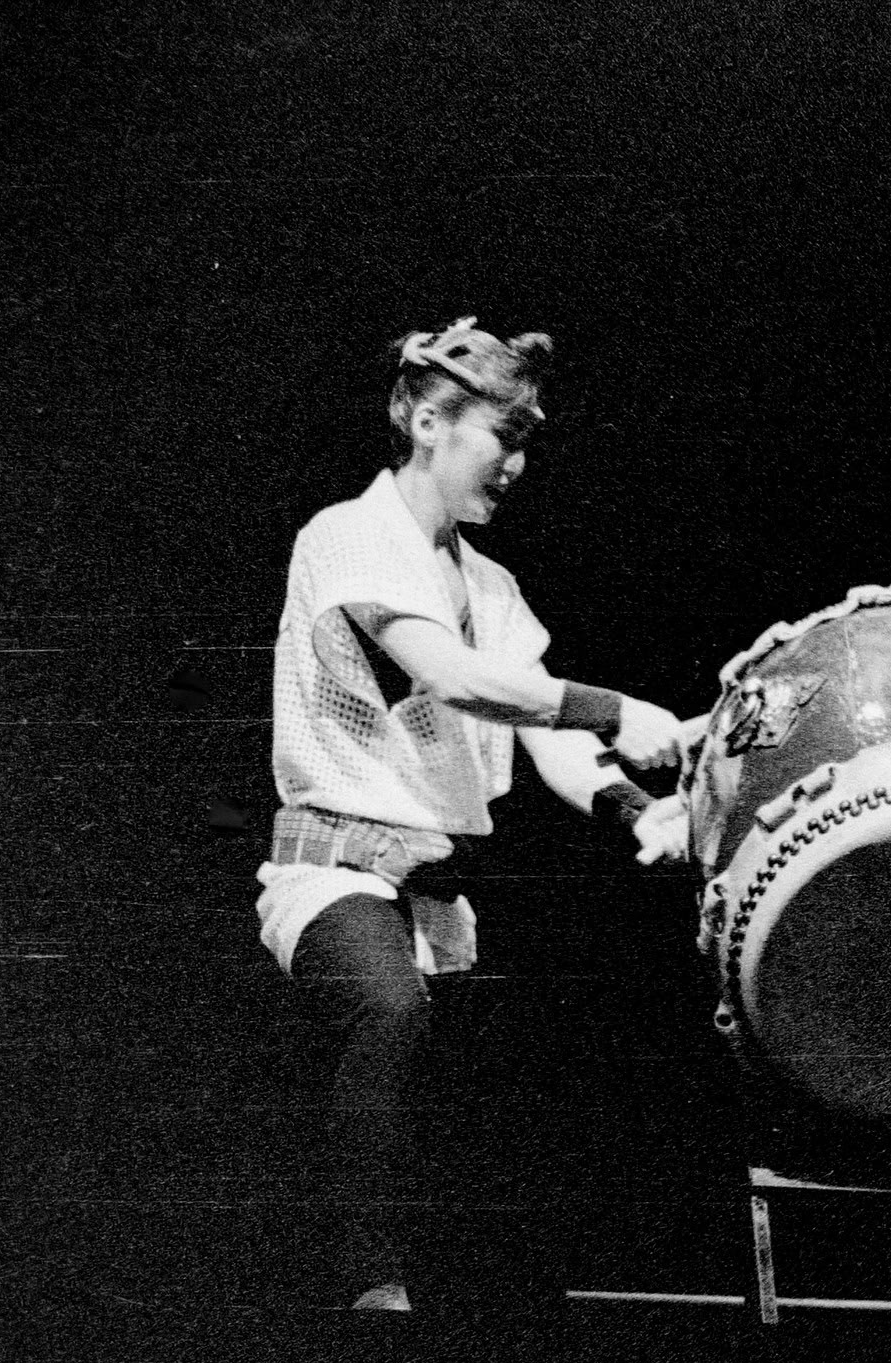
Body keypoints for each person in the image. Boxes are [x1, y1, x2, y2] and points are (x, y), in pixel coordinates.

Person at [256, 316, 695, 1312]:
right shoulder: (347, 537)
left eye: (527, 442)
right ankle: (368, 1292)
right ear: (423, 420)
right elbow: (456, 677)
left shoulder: (491, 586)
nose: (518, 464)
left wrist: (635, 807)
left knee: (483, 1096)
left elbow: (542, 729)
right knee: (386, 1004)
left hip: (436, 900)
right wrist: (620, 710)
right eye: (503, 436)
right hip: (333, 874)